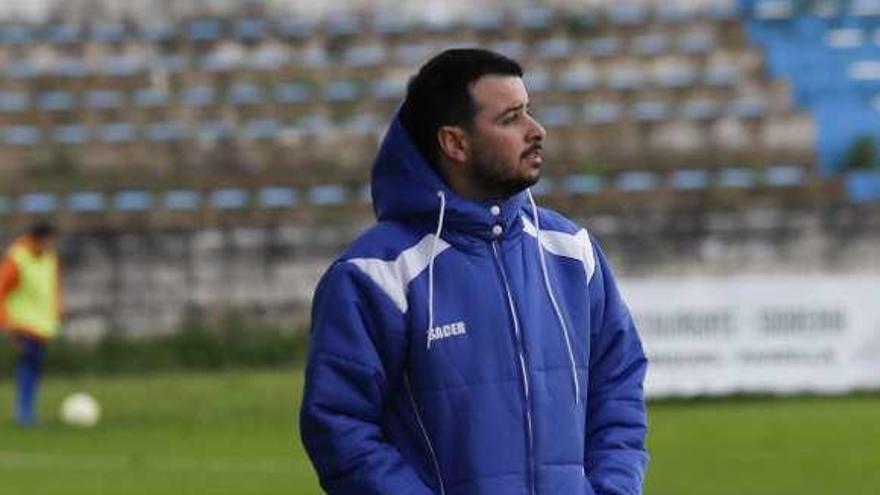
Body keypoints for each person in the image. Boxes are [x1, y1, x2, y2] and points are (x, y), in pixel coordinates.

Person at [300, 49, 648, 495]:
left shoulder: (571, 251)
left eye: (530, 111)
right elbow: (340, 426)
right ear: (456, 143)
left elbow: (618, 387)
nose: (536, 130)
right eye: (510, 119)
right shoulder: (376, 275)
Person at [0, 222, 62, 426]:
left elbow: (50, 288)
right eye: (50, 240)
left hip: (42, 325)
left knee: (34, 367)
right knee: (29, 364)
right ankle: (25, 413)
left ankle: (27, 411)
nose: (52, 244)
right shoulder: (18, 258)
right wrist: (5, 323)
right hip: (22, 324)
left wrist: (57, 312)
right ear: (38, 238)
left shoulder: (49, 258)